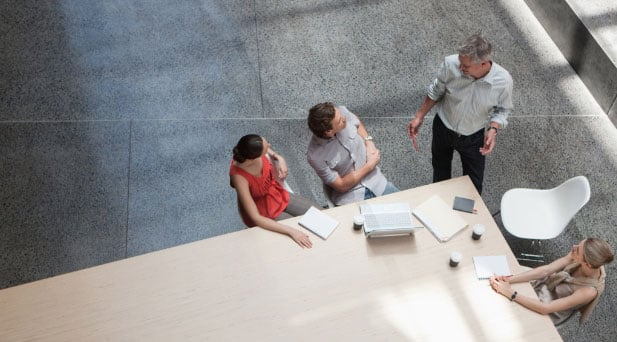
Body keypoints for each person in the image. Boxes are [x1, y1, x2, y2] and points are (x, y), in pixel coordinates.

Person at [407, 34, 513, 194]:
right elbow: (436, 90)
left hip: (473, 136)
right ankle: (441, 207)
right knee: (440, 172)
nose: (460, 68)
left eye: (466, 66)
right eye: (460, 62)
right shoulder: (450, 64)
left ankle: (468, 215)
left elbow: (503, 109)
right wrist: (419, 116)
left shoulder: (503, 81)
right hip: (443, 127)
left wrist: (493, 129)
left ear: (483, 64)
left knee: (473, 185)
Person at [489, 238, 614, 325]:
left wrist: (510, 292)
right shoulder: (585, 255)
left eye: (577, 250)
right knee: (506, 272)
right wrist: (509, 279)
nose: (573, 247)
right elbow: (547, 270)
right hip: (546, 283)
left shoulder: (588, 291)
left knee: (504, 316)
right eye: (578, 245)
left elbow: (546, 308)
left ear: (587, 264)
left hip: (549, 306)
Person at [230, 134, 320, 248]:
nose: (269, 145)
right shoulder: (239, 178)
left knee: (320, 214)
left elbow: (268, 150)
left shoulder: (251, 147)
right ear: (253, 158)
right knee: (304, 234)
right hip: (263, 212)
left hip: (276, 194)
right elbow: (256, 218)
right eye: (266, 148)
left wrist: (279, 158)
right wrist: (291, 231)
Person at [307, 102, 399, 206]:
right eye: (339, 121)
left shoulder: (340, 111)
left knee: (407, 209)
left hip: (377, 183)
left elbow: (357, 123)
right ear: (328, 131)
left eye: (341, 115)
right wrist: (369, 166)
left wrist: (369, 142)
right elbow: (341, 185)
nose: (344, 119)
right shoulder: (315, 156)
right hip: (351, 198)